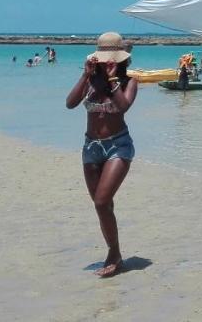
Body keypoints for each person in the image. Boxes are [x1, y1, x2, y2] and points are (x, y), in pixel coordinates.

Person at [64, 31, 139, 279]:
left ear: (120, 59)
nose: (107, 62)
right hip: (91, 147)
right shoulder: (90, 80)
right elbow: (70, 103)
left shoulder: (129, 81)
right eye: (104, 58)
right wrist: (86, 74)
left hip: (118, 145)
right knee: (103, 206)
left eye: (112, 59)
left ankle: (113, 253)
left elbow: (123, 106)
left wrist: (113, 80)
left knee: (101, 201)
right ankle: (115, 252)